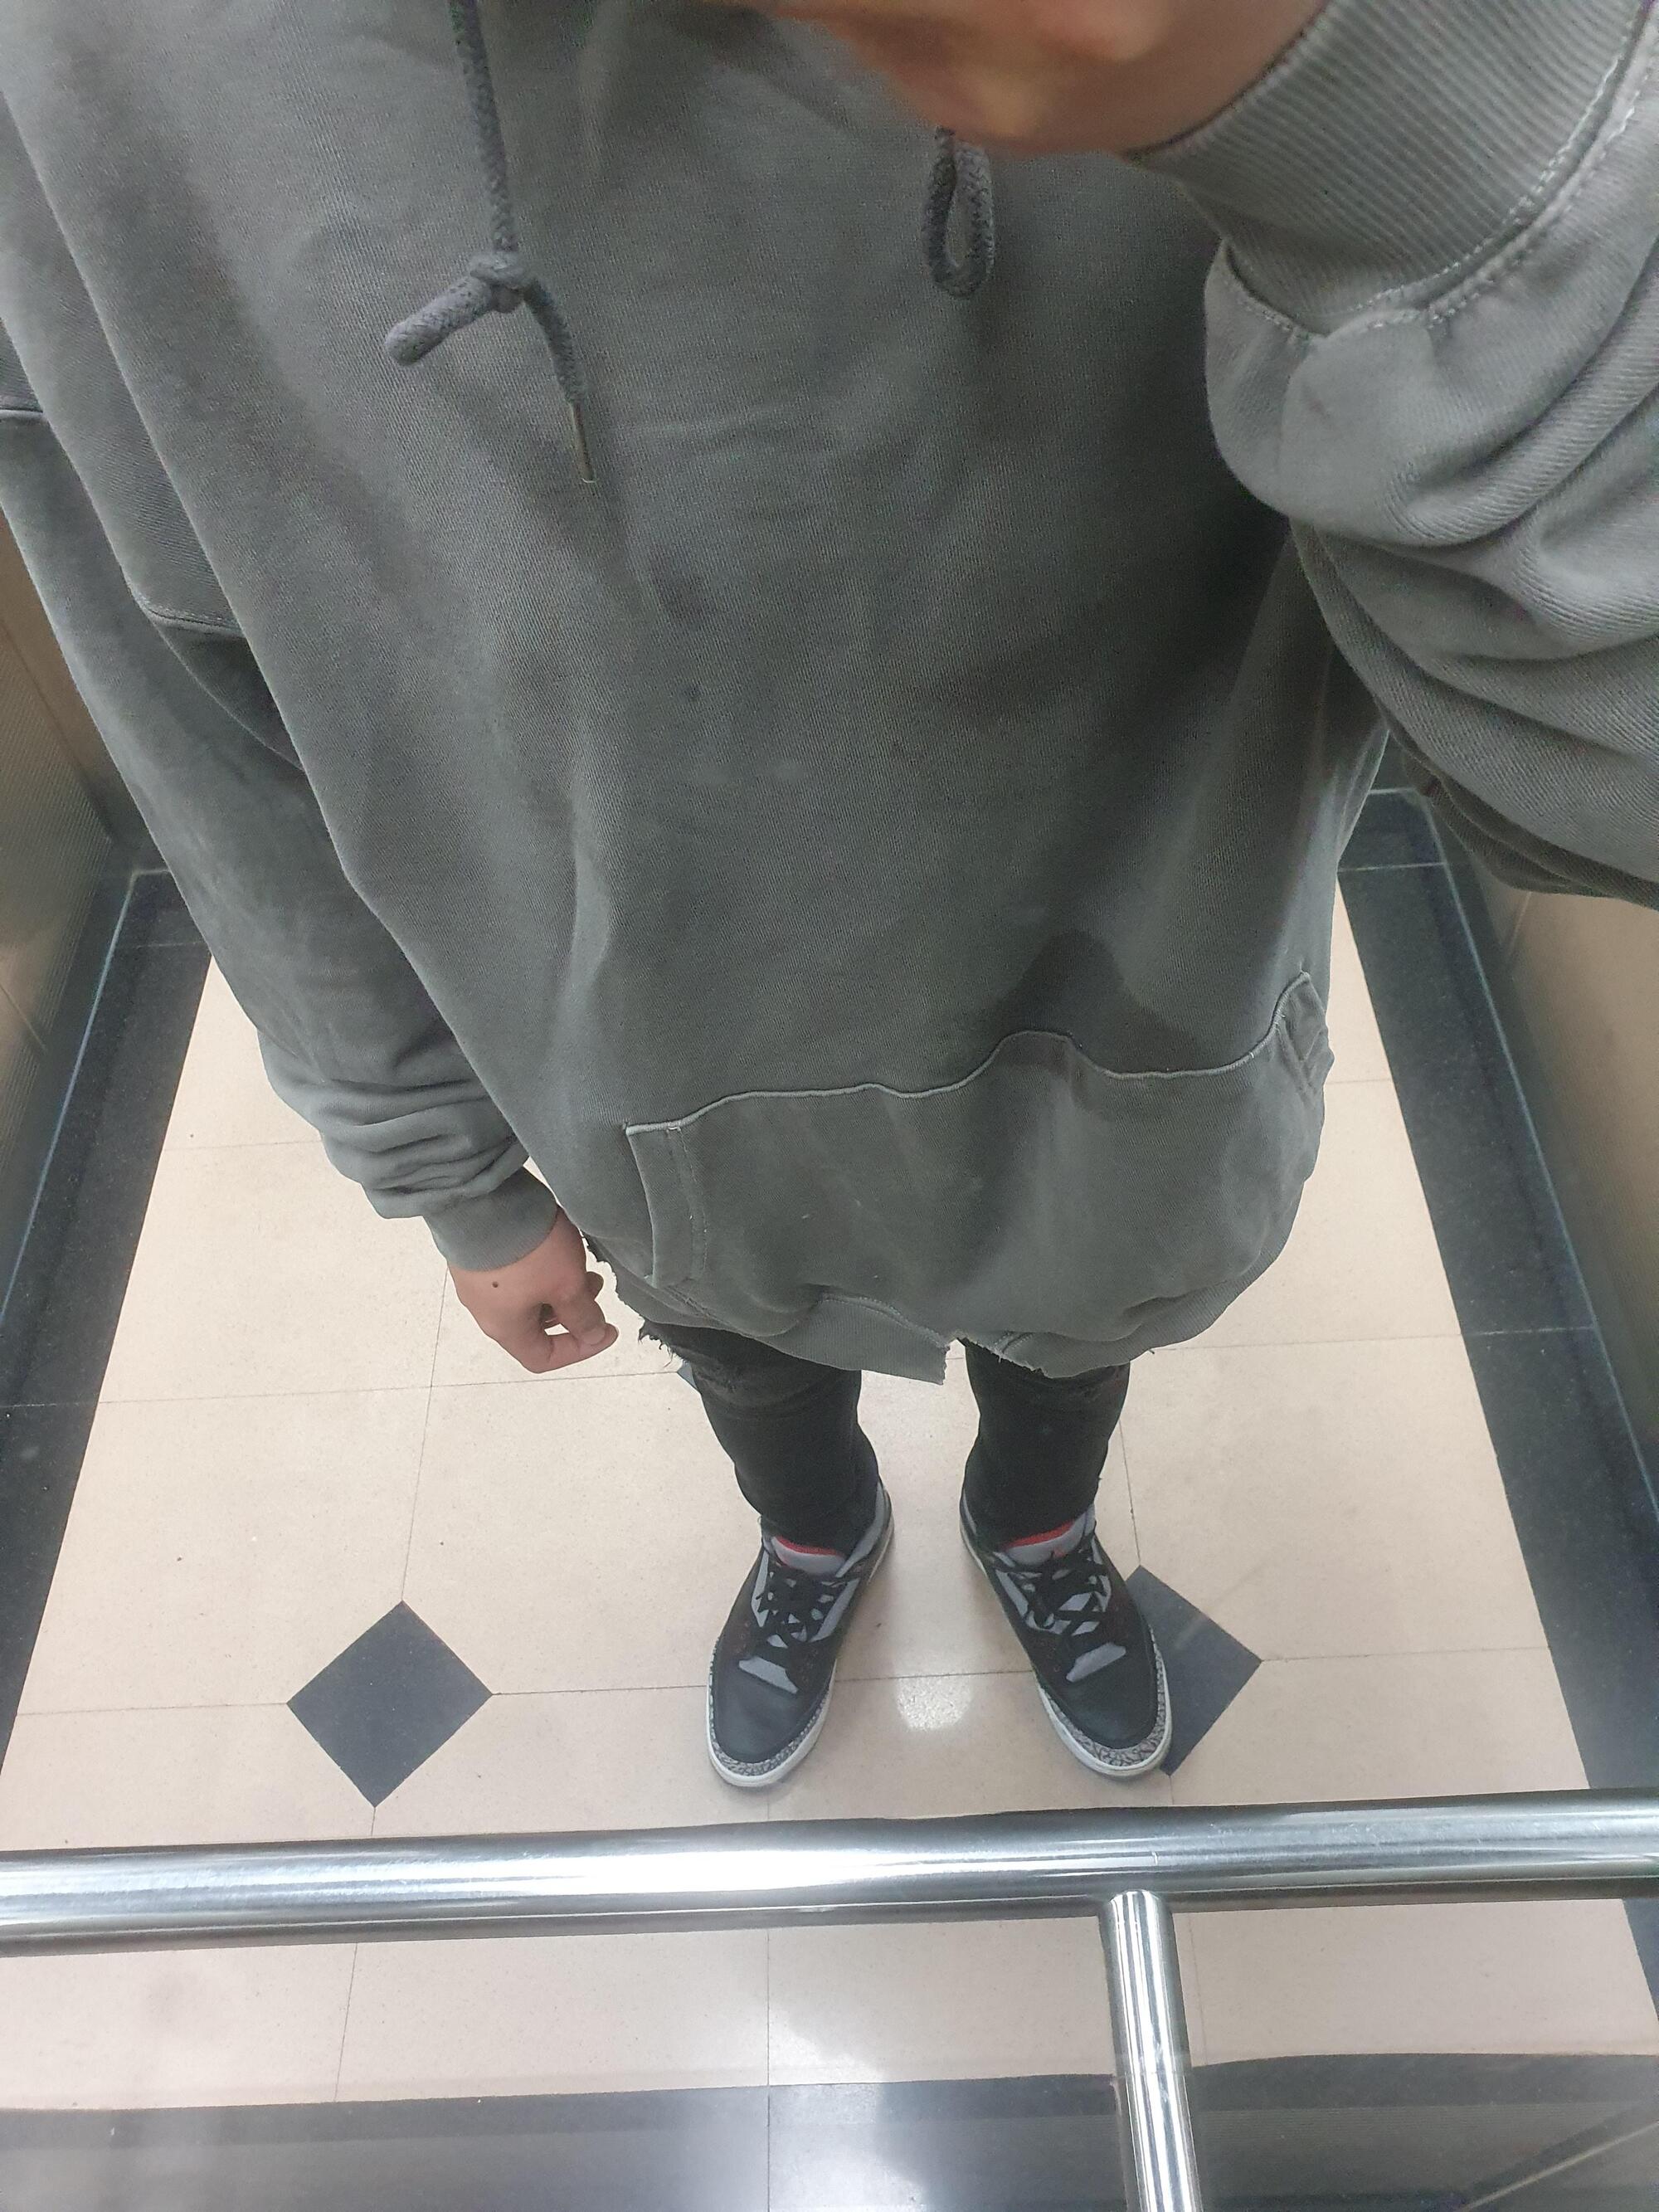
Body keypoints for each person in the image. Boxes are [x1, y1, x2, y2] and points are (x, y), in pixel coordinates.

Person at [2, 0, 1655, 1788]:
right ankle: (816, 1534)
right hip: (646, 1068)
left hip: (1144, 1007)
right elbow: (196, 701)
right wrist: (438, 1159)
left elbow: (1602, 779)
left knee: (1075, 1341)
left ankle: (1034, 1528)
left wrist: (1321, 69)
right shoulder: (88, 62)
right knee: (757, 1375)